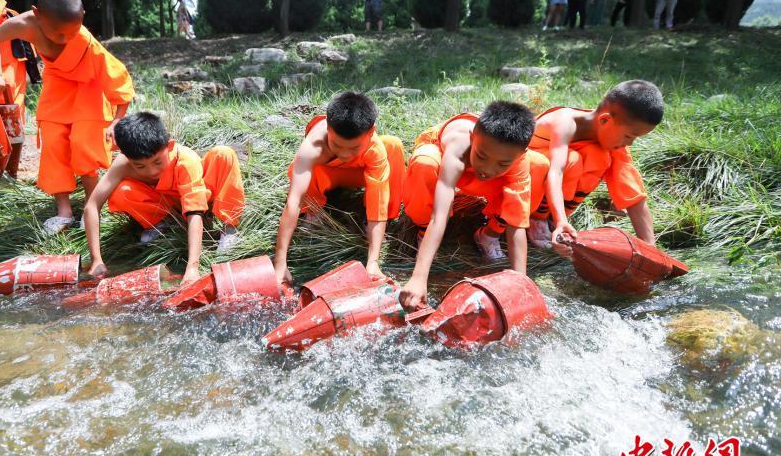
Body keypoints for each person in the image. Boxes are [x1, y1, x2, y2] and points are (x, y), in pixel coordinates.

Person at [0, 0, 135, 235]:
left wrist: (117, 120)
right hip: (57, 84)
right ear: (37, 14)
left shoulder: (87, 43)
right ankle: (63, 212)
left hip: (88, 87)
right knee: (52, 143)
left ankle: (92, 207)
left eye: (71, 32)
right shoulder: (22, 25)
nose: (64, 39)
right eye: (57, 33)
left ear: (82, 17)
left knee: (84, 146)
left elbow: (119, 80)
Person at [399, 102, 549, 310]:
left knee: (539, 164)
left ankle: (490, 234)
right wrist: (418, 278)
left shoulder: (517, 159)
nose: (487, 169)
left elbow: (517, 222)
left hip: (480, 174)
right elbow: (439, 215)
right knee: (425, 163)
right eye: (481, 156)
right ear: (472, 138)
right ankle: (424, 233)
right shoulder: (457, 146)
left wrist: (520, 284)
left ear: (521, 154)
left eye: (502, 164)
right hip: (442, 166)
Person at [82, 112, 244, 281]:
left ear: (169, 145)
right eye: (140, 166)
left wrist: (192, 268)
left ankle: (229, 229)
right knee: (121, 192)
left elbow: (195, 212)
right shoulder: (123, 164)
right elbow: (92, 205)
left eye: (157, 162)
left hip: (200, 197)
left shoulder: (185, 160)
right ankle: (162, 222)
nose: (151, 171)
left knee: (224, 154)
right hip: (167, 203)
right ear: (126, 156)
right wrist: (96, 260)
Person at [273, 92, 405, 285]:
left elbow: (378, 202)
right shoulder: (312, 147)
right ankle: (314, 212)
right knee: (302, 170)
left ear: (371, 132)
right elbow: (293, 202)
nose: (344, 154)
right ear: (327, 126)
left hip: (360, 175)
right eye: (336, 144)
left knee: (393, 146)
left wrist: (373, 263)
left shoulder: (374, 148)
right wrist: (280, 262)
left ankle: (376, 227)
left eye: (353, 148)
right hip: (326, 176)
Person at [526, 80, 664, 255]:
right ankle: (537, 220)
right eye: (629, 136)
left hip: (548, 195)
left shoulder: (614, 140)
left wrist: (650, 249)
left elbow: (632, 192)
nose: (629, 143)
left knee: (599, 157)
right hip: (516, 180)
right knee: (572, 160)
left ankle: (551, 221)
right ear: (605, 120)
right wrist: (562, 221)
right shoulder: (565, 123)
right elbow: (556, 172)